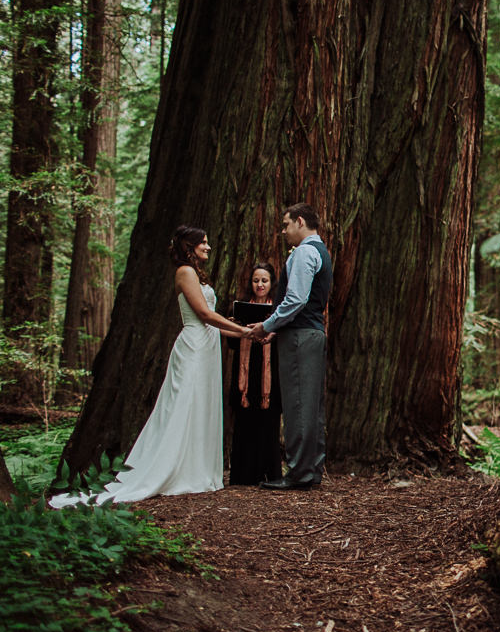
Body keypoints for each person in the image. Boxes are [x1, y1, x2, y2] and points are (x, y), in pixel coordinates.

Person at [51, 226, 250, 508]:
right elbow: (204, 314)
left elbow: (213, 323)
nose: (208, 247)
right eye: (203, 243)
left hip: (208, 344)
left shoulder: (197, 273)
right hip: (193, 346)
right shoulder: (185, 272)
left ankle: (197, 469)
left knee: (202, 406)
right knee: (184, 405)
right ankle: (172, 469)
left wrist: (245, 333)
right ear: (189, 247)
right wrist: (242, 332)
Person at [249, 203, 332, 491]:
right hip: (310, 333)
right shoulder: (322, 251)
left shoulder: (305, 252)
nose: (283, 231)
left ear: (300, 221)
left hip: (300, 337)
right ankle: (311, 470)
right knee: (312, 406)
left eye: (286, 225)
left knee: (298, 404)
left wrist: (267, 325)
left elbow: (295, 299)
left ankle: (298, 473)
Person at [227, 262, 283, 485]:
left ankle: (269, 474)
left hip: (270, 373)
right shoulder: (239, 307)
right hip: (245, 374)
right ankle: (243, 475)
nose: (260, 284)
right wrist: (234, 327)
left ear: (272, 283)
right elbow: (232, 345)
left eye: (265, 280)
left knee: (268, 423)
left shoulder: (279, 309)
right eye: (256, 280)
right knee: (244, 423)